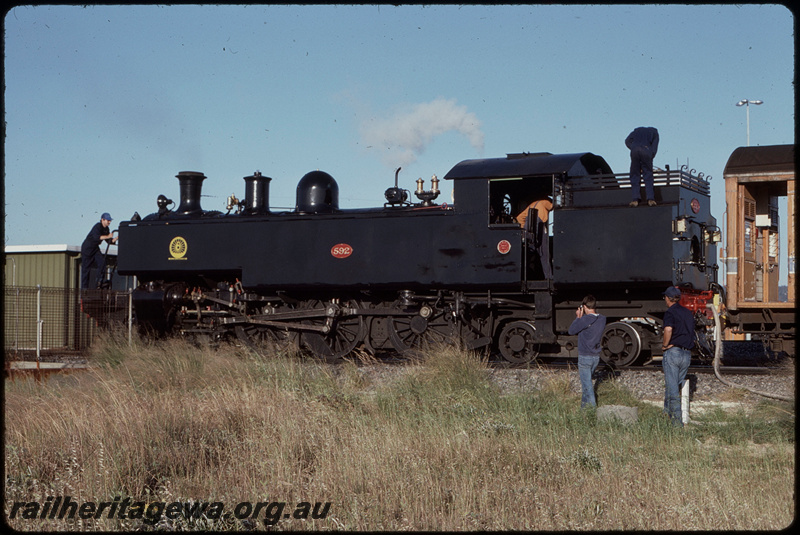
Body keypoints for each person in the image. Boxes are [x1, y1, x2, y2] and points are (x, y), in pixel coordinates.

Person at [661, 286, 695, 427]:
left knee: (673, 390)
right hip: (686, 354)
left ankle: (676, 424)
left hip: (673, 353)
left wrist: (664, 345)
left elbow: (668, 329)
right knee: (673, 387)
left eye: (665, 297)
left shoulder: (670, 312)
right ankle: (666, 417)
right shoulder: (688, 313)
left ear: (668, 298)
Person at [567, 295, 607, 408]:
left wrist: (578, 317)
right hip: (595, 357)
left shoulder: (585, 319)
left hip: (585, 357)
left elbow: (571, 331)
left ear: (584, 306)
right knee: (587, 384)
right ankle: (583, 410)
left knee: (587, 387)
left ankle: (592, 411)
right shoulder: (602, 319)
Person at [516, 197, 553, 279]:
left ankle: (526, 276)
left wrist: (524, 229)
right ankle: (549, 277)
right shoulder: (545, 202)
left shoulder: (531, 205)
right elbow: (552, 207)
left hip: (528, 229)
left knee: (529, 253)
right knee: (544, 254)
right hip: (539, 227)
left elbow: (519, 218)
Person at [80, 212, 117, 289]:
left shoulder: (106, 229)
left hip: (95, 249)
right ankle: (84, 291)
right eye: (108, 220)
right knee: (86, 270)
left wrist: (117, 238)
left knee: (102, 263)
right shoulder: (97, 226)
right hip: (87, 249)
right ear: (102, 220)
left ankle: (99, 282)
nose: (109, 222)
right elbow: (97, 237)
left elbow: (109, 241)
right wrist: (107, 236)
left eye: (110, 221)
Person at [625, 126, 659, 207]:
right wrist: (650, 154)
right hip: (646, 150)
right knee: (648, 175)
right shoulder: (654, 132)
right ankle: (650, 199)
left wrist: (633, 147)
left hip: (634, 150)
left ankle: (635, 199)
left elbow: (627, 141)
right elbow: (654, 147)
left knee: (634, 175)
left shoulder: (636, 131)